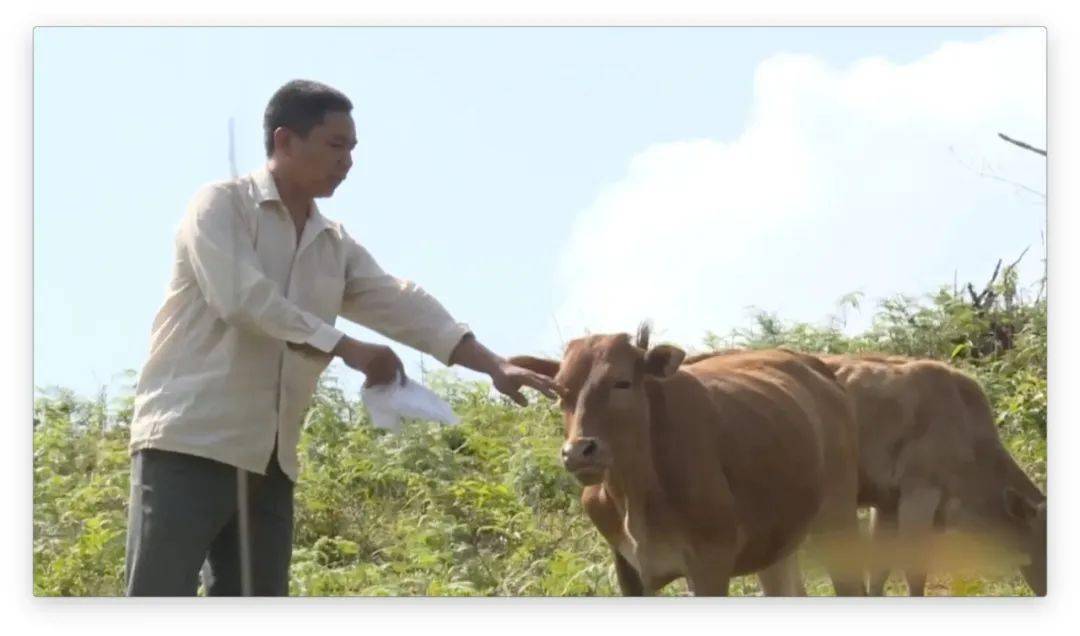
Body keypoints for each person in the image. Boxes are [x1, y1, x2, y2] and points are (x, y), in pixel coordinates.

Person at [124, 79, 564, 596]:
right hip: (190, 443)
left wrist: (493, 364)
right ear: (285, 141)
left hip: (271, 461)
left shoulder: (331, 242)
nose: (348, 162)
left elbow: (400, 301)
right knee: (156, 600)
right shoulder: (221, 206)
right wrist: (347, 348)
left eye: (352, 149)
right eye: (336, 146)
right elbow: (243, 299)